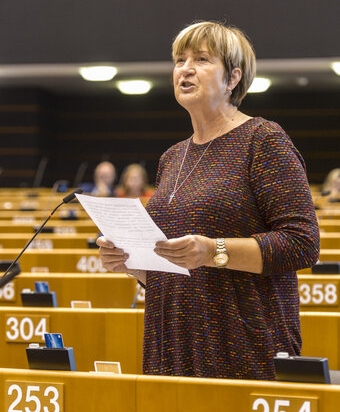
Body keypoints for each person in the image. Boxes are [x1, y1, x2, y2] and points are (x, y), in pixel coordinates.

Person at [97, 21, 320, 380]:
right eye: (179, 60)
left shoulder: (263, 140)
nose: (185, 69)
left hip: (242, 342)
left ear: (233, 78)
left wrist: (214, 250)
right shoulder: (172, 157)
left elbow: (302, 244)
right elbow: (176, 266)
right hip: (169, 340)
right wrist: (131, 264)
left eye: (201, 59)